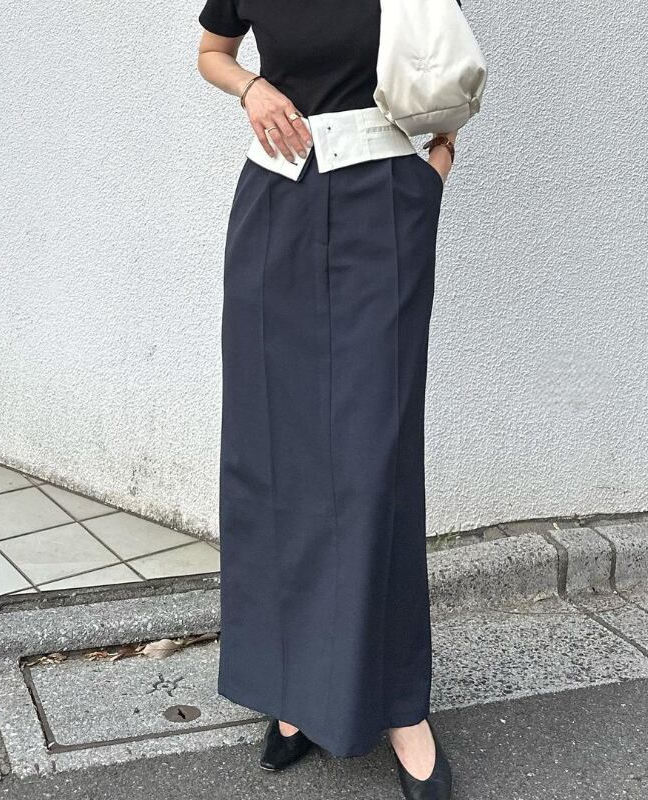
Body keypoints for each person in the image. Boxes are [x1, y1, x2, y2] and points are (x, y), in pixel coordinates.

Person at [197, 2, 462, 797]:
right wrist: (251, 89)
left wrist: (435, 169)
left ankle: (401, 708)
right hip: (275, 206)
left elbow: (449, 70)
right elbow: (211, 52)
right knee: (274, 456)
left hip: (383, 208)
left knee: (375, 464)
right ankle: (292, 692)